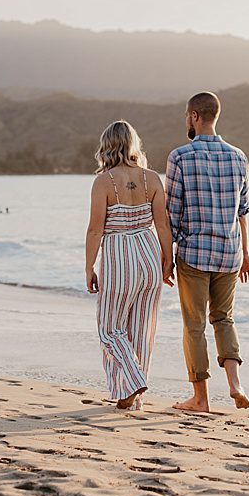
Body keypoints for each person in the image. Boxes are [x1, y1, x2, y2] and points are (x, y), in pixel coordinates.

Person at [165, 92, 249, 412]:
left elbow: (172, 213)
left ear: (193, 117)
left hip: (195, 253)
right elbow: (242, 211)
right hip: (230, 253)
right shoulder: (238, 157)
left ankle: (201, 398)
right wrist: (245, 252)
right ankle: (235, 383)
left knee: (194, 324)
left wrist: (166, 258)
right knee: (224, 318)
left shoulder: (180, 157)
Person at [85, 120, 174, 410]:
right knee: (141, 328)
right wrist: (167, 261)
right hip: (148, 252)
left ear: (107, 146)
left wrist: (89, 267)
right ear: (134, 143)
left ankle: (133, 380)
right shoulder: (152, 178)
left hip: (118, 254)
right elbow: (162, 225)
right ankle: (132, 398)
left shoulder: (104, 181)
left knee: (110, 328)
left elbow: (96, 230)